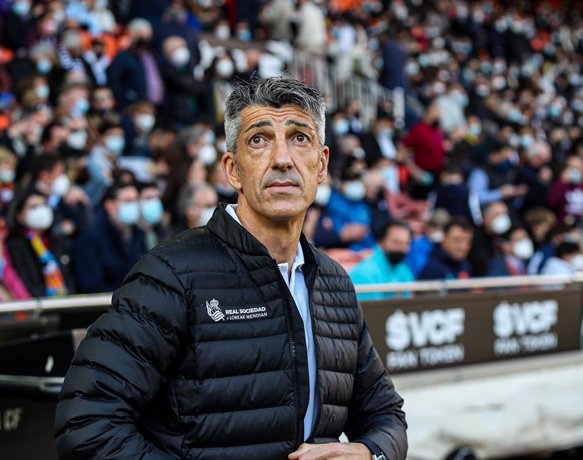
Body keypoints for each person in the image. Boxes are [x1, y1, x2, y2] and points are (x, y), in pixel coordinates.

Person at [56, 76, 407, 460]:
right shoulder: (170, 274)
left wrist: (372, 453)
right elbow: (86, 421)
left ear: (321, 164)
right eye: (259, 140)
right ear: (233, 169)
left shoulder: (335, 284)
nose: (282, 159)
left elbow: (385, 413)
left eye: (299, 138)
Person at [73, 182, 147, 293]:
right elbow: (92, 285)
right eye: (128, 201)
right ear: (110, 205)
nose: (134, 205)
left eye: (136, 200)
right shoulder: (91, 237)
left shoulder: (138, 234)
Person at [349, 219, 415, 301]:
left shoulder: (404, 270)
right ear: (380, 242)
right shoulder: (365, 273)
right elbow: (371, 311)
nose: (401, 248)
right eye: (396, 242)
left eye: (406, 243)